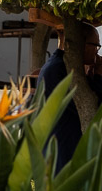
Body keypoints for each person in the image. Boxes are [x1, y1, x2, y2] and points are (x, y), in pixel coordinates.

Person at [36, 24, 102, 169]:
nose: (97, 52)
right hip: (60, 152)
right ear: (81, 44)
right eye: (95, 46)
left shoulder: (60, 65)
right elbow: (90, 106)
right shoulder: (59, 69)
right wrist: (98, 77)